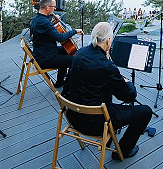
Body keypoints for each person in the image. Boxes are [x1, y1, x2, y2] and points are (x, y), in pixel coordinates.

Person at [65, 22, 152, 160]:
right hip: (95, 123)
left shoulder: (80, 53)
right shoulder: (106, 66)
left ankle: (114, 135)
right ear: (108, 40)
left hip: (73, 115)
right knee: (145, 111)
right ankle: (123, 151)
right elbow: (129, 96)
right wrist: (128, 83)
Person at [30, 0, 83, 88]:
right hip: (45, 58)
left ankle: (60, 82)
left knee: (67, 51)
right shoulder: (45, 23)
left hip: (42, 52)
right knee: (75, 60)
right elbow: (60, 37)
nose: (55, 8)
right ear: (47, 7)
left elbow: (46, 29)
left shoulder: (36, 19)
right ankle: (68, 87)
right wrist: (75, 31)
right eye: (53, 6)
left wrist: (51, 20)